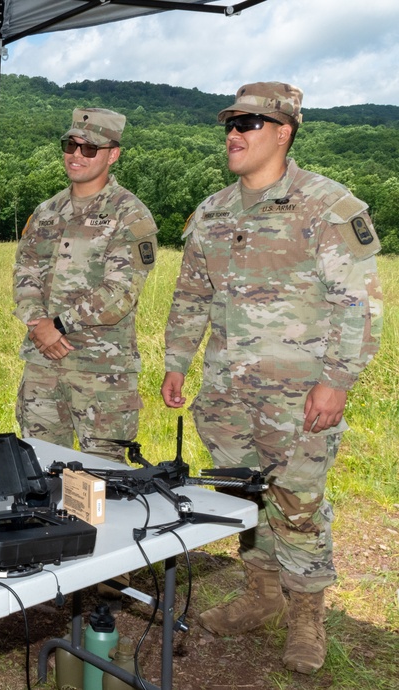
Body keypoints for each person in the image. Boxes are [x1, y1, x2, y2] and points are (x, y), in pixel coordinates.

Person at [161, 82, 382, 674]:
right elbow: (191, 295)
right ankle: (261, 595)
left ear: (284, 131)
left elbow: (358, 303)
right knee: (243, 493)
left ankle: (307, 616)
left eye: (250, 123)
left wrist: (337, 380)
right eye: (230, 123)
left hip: (299, 395)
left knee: (299, 502)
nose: (234, 133)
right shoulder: (212, 211)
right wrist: (177, 360)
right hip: (226, 392)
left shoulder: (327, 206)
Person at [14, 107, 159, 462]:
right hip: (43, 366)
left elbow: (121, 292)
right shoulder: (47, 211)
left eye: (89, 148)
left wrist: (58, 326)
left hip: (102, 374)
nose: (76, 155)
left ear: (113, 155)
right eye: (71, 145)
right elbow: (25, 270)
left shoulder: (130, 214)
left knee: (105, 481)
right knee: (40, 470)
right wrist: (37, 324)